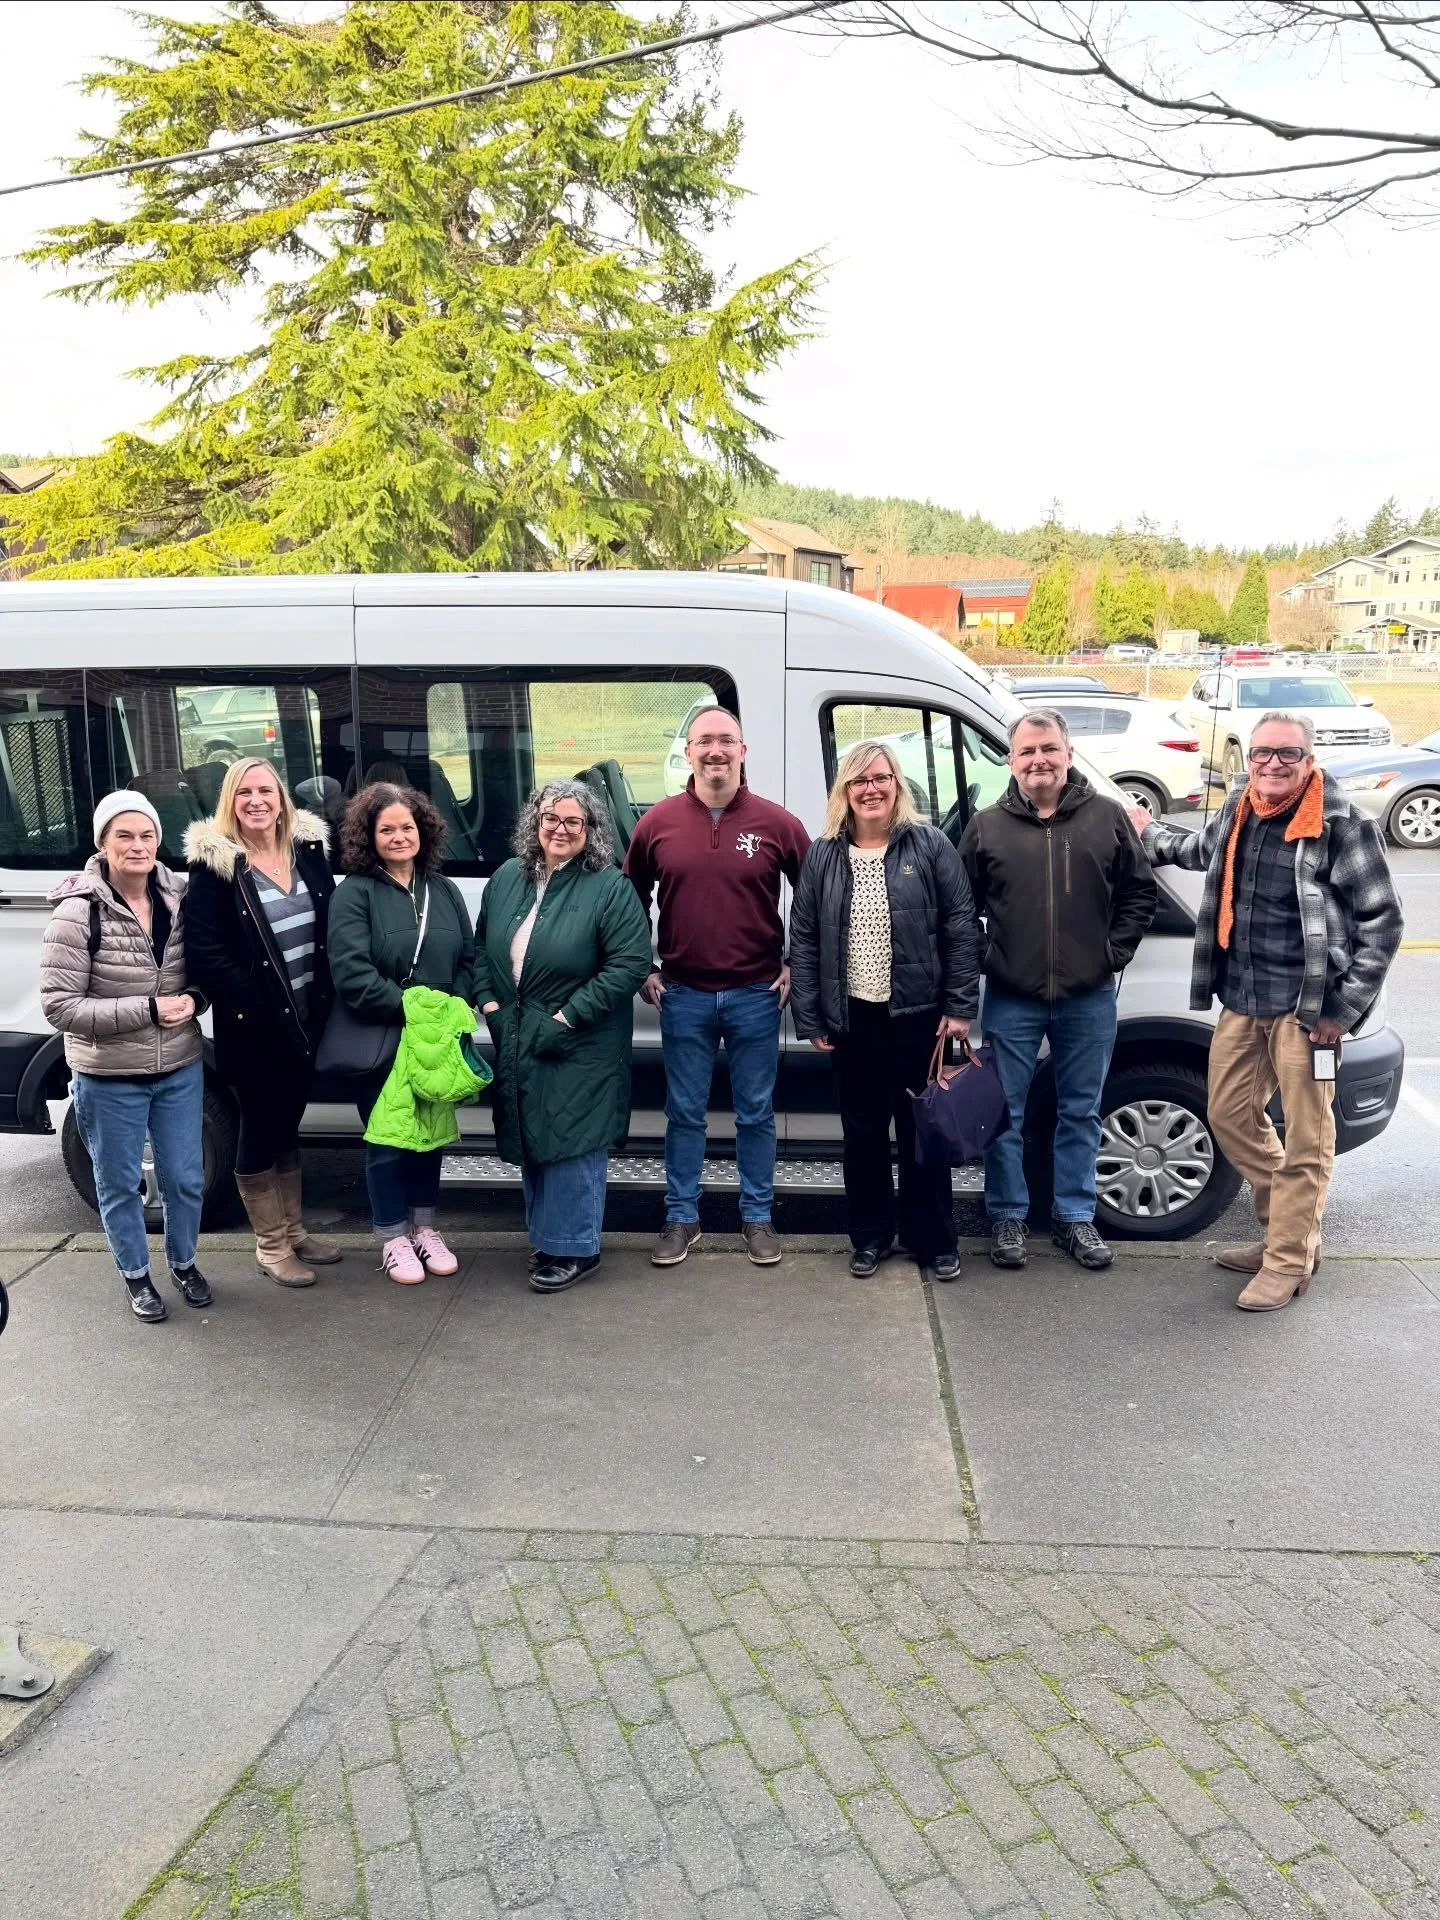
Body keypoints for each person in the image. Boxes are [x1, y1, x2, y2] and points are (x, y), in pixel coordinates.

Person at [1131, 711, 1402, 1311]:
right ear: (1247, 759)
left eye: (1287, 754)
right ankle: (1291, 1231)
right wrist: (1146, 829)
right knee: (1227, 1116)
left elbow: (1382, 922)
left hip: (1310, 1012)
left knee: (1308, 1136)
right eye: (1262, 754)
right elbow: (1198, 849)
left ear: (1309, 759)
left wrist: (1342, 1010)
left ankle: (1286, 1260)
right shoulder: (1242, 806)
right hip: (1243, 999)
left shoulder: (1342, 823)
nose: (1273, 764)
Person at [961, 709, 1157, 1272]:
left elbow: (1138, 895)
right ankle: (1008, 1218)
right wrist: (988, 959)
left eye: (1048, 748)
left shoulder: (1107, 818)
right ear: (1011, 760)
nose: (1038, 760)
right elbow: (961, 909)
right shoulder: (987, 826)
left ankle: (1075, 1218)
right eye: (1026, 752)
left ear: (1068, 754)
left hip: (1088, 997)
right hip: (1011, 997)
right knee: (1005, 1115)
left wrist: (1111, 954)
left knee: (1081, 1112)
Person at [623, 707, 810, 1267]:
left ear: (743, 751)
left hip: (756, 994)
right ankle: (682, 1218)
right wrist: (642, 968)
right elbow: (628, 902)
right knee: (684, 1113)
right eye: (704, 741)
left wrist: (796, 963)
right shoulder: (657, 823)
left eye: (726, 741)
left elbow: (816, 897)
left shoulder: (778, 824)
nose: (715, 752)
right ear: (688, 752)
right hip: (683, 995)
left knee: (755, 1113)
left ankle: (757, 1218)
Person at [789, 741, 982, 1280]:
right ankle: (870, 1236)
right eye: (858, 781)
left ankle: (934, 1240)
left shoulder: (930, 846)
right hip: (853, 1021)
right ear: (844, 792)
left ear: (896, 783)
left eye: (880, 778)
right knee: (864, 1135)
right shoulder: (824, 853)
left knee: (925, 1133)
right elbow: (803, 938)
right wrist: (811, 1017)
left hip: (921, 1019)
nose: (870, 790)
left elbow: (961, 929)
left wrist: (960, 1008)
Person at [475, 780, 652, 1294]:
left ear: (590, 831)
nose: (560, 829)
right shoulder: (508, 877)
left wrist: (568, 1017)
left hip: (581, 1038)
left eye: (574, 821)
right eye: (550, 818)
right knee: (534, 1135)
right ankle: (550, 1239)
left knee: (574, 1140)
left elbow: (629, 964)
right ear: (534, 822)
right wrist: (490, 1004)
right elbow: (479, 948)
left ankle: (577, 1248)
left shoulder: (609, 887)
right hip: (518, 1031)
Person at [40, 792, 210, 1323]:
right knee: (119, 1183)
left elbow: (205, 971)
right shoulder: (77, 913)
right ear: (102, 843)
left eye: (146, 835)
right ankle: (136, 1277)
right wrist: (148, 1010)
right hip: (108, 1076)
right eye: (124, 836)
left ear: (159, 841)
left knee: (184, 1178)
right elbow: (60, 1007)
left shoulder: (181, 897)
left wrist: (197, 1001)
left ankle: (183, 1263)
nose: (137, 846)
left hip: (180, 1067)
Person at [184, 757, 338, 1286]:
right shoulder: (216, 867)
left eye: (266, 790)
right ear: (231, 801)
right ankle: (271, 1248)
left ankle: (294, 1232)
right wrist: (259, 999)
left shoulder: (308, 852)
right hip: (253, 1025)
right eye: (244, 792)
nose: (257, 801)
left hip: (306, 1020)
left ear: (281, 798)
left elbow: (328, 926)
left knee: (287, 1122)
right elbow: (205, 953)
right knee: (257, 1124)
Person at [328, 782, 476, 1284]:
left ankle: (424, 1228)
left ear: (423, 831)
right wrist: (413, 1008)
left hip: (433, 1043)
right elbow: (351, 973)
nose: (398, 837)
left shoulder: (445, 890)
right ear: (368, 836)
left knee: (430, 1137)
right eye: (386, 829)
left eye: (406, 827)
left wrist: (451, 1006)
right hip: (385, 1038)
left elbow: (468, 960)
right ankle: (392, 1236)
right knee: (388, 1141)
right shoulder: (353, 893)